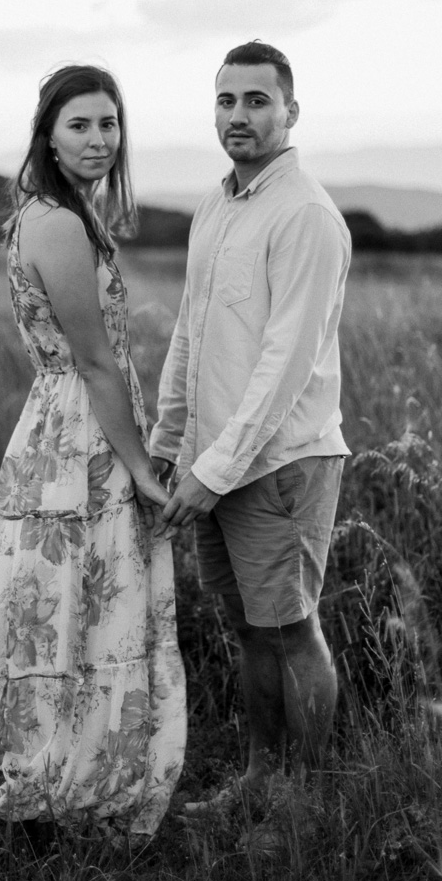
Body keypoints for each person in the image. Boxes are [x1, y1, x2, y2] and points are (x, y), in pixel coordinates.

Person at [0, 64, 186, 839]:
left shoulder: (56, 212)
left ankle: (51, 745)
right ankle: (58, 764)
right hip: (77, 431)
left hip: (62, 420)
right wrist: (139, 468)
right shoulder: (59, 224)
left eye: (109, 124)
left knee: (60, 597)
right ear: (49, 137)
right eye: (81, 126)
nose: (100, 140)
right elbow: (95, 361)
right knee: (74, 592)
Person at [150, 40, 350, 811]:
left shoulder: (304, 216)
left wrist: (213, 469)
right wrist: (172, 444)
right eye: (227, 101)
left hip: (280, 464)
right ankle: (261, 780)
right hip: (214, 463)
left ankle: (302, 800)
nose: (239, 116)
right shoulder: (219, 202)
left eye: (257, 101)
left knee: (290, 629)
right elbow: (191, 334)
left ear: (290, 112)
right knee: (249, 632)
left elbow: (284, 365)